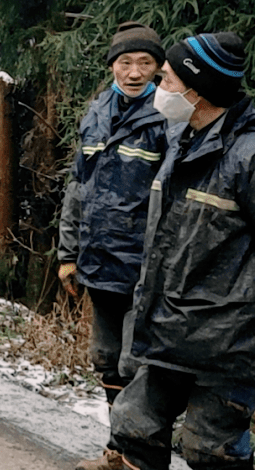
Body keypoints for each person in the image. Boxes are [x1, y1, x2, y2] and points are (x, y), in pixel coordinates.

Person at [77, 32, 255, 470]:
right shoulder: (183, 139)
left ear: (198, 92)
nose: (158, 87)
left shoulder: (248, 156)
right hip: (168, 323)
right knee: (134, 425)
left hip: (228, 338)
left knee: (209, 448)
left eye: (168, 79)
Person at [57, 22, 167, 417]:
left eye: (145, 62)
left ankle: (136, 449)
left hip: (144, 267)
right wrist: (68, 254)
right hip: (100, 261)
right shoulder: (99, 110)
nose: (134, 72)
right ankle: (116, 449)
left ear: (158, 67)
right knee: (106, 358)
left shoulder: (168, 117)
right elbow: (77, 185)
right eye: (125, 62)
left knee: (136, 363)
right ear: (112, 67)